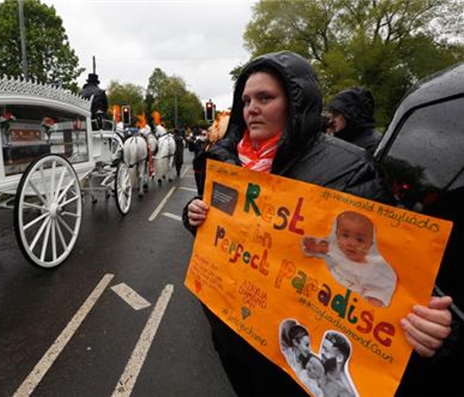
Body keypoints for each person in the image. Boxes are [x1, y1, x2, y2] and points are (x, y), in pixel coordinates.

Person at [182, 51, 454, 396]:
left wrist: (435, 328)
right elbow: (211, 219)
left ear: (295, 105)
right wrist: (193, 215)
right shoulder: (227, 159)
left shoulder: (350, 168)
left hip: (295, 366)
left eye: (266, 98)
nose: (251, 108)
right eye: (246, 99)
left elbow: (392, 267)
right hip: (234, 339)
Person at [302, 210, 397, 307]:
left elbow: (379, 290)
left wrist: (373, 302)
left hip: (346, 303)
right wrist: (314, 248)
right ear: (337, 236)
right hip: (324, 290)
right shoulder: (338, 251)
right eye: (345, 236)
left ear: (370, 245)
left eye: (360, 240)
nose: (351, 243)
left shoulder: (371, 271)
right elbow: (327, 249)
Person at [325, 87, 382, 155]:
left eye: (336, 114)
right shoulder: (345, 141)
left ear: (352, 114)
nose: (331, 121)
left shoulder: (374, 147)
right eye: (331, 115)